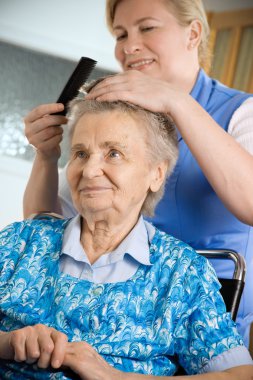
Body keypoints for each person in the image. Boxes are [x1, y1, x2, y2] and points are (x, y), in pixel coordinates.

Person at [23, 0, 253, 348]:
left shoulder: (242, 113)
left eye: (147, 28)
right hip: (112, 309)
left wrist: (177, 101)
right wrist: (45, 156)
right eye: (120, 34)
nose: (129, 45)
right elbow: (46, 227)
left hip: (202, 320)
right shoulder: (119, 124)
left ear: (193, 33)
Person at [1, 89, 253, 379]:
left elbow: (240, 374)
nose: (90, 170)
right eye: (81, 153)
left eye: (114, 153)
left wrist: (113, 376)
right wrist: (9, 343)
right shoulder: (20, 242)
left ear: (156, 174)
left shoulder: (181, 274)